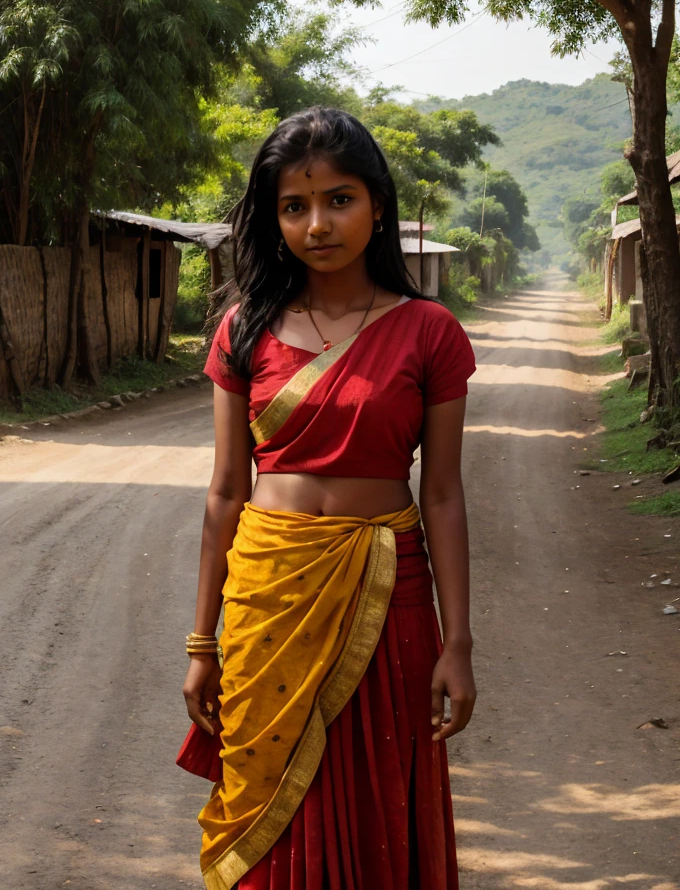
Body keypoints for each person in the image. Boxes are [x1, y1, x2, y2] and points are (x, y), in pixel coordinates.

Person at [179, 106, 476, 889]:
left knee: (379, 806)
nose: (318, 223)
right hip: (266, 600)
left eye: (339, 199)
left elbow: (441, 495)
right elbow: (223, 494)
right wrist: (201, 643)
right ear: (273, 218)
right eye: (294, 205)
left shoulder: (429, 331)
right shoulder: (245, 330)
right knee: (270, 818)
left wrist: (459, 641)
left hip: (389, 599)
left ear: (378, 204)